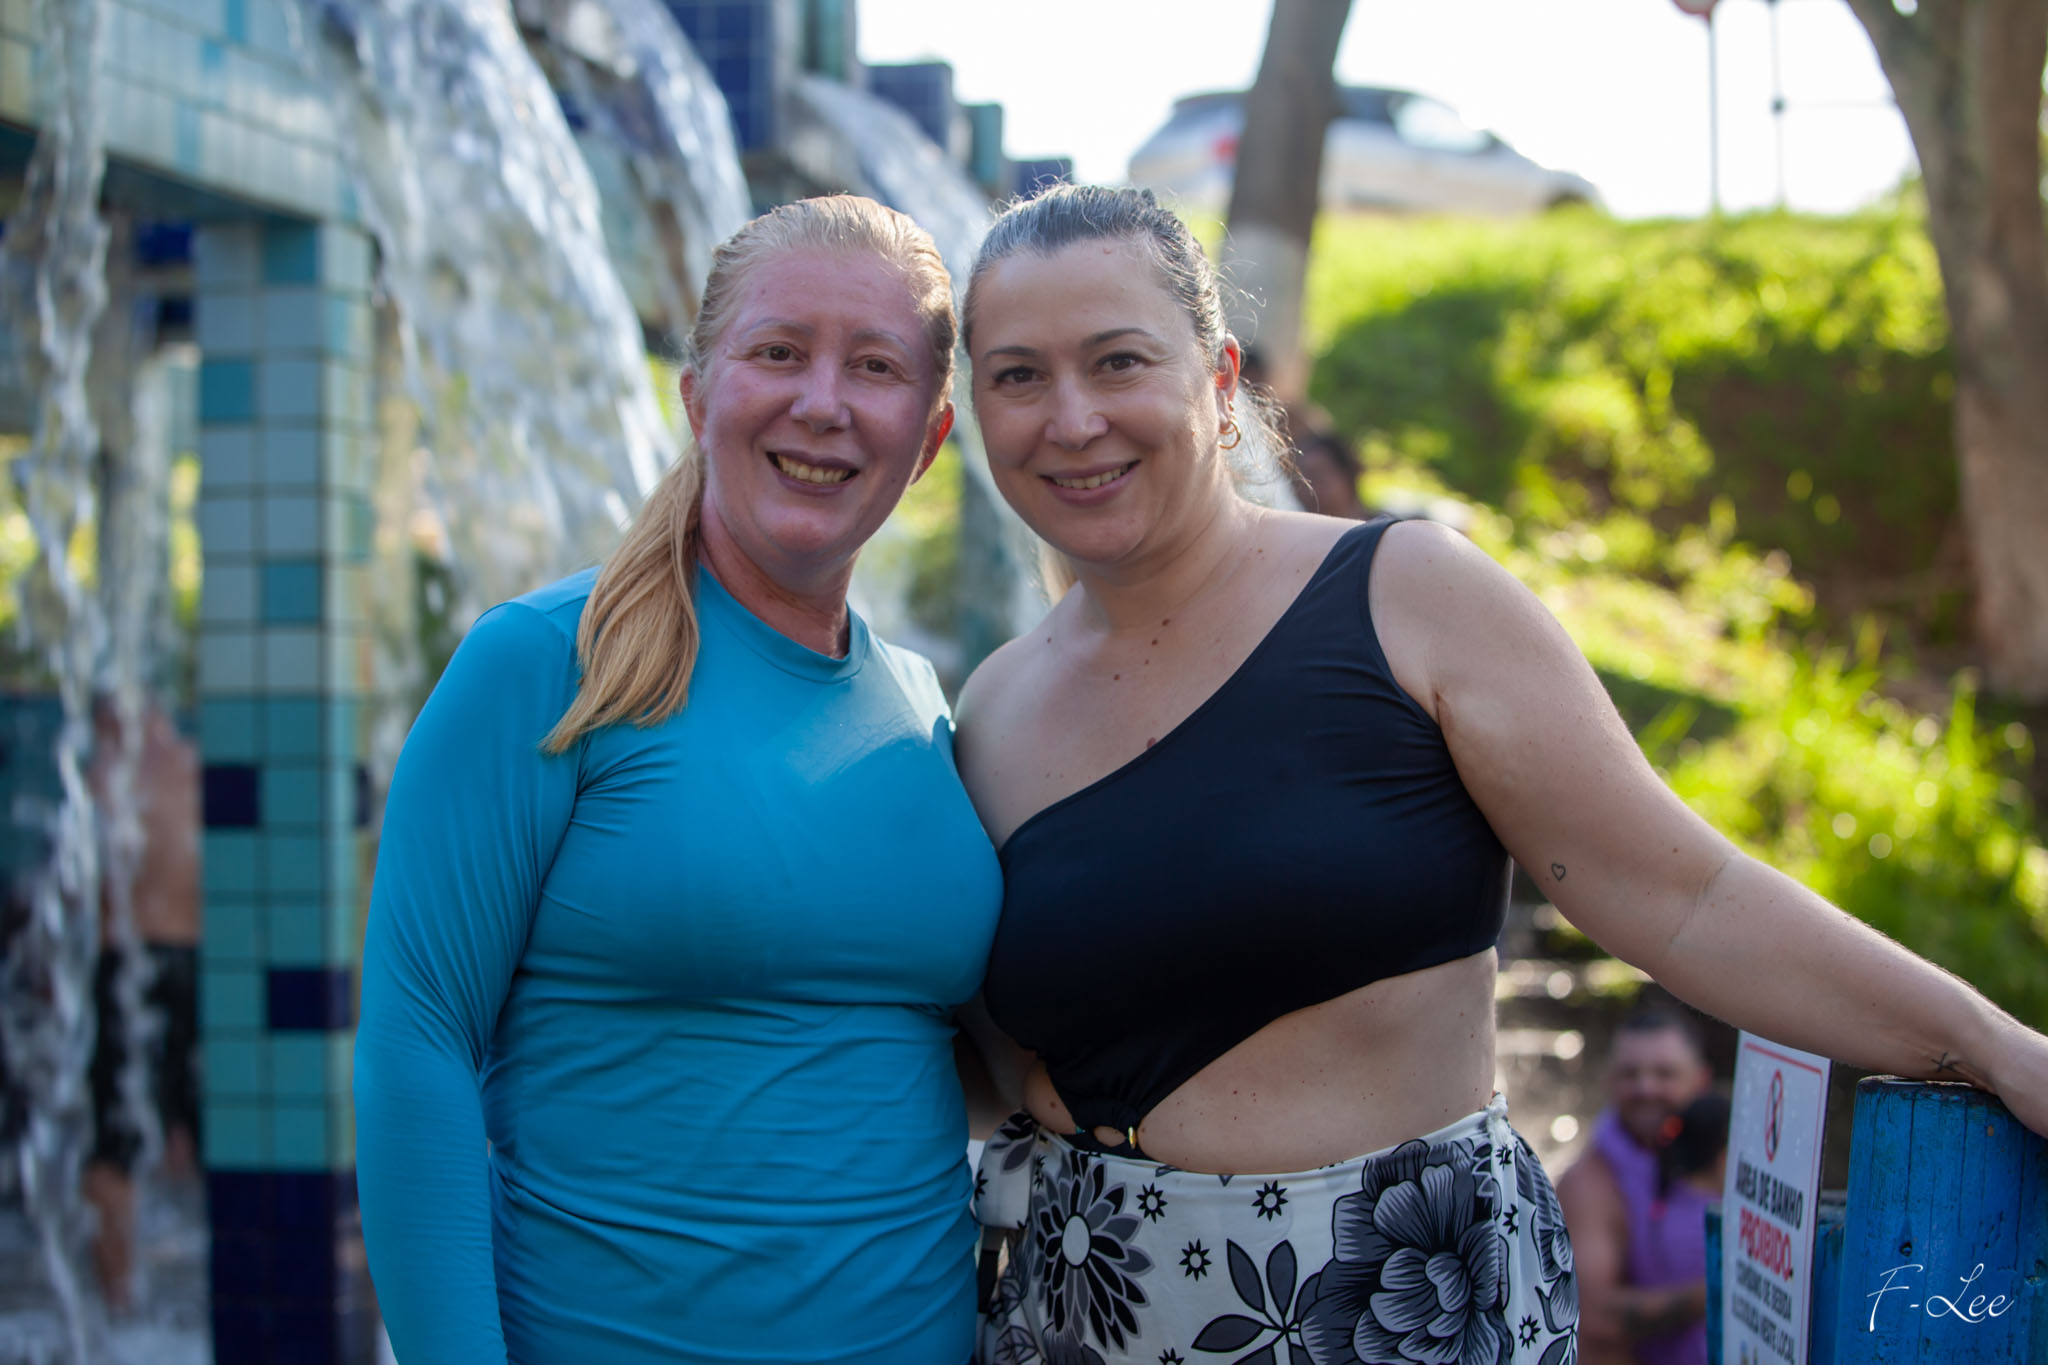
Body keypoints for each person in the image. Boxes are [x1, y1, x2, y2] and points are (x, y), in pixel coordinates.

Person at [949, 184, 2048, 1365]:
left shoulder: (1403, 598)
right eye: (1018, 376)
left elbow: (1687, 898)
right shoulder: (992, 710)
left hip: (1400, 1318)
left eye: (1117, 361)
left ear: (1218, 383)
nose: (1070, 419)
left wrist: (1991, 1046)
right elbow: (976, 1055)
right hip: (1079, 1316)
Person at [354, 196, 1004, 1365]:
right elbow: (416, 1050)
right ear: (699, 397)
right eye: (778, 352)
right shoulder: (544, 663)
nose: (822, 402)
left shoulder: (923, 706)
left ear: (929, 436)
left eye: (874, 367)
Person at [82, 693, 201, 1313]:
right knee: (207, 1134)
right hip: (195, 962)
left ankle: (120, 1302)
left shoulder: (103, 776)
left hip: (126, 966)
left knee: (113, 1146)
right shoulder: (193, 768)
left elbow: (77, 891)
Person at [1556, 1005, 1718, 1365]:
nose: (1646, 1088)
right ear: (1609, 1081)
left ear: (1701, 1080)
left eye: (1664, 1073)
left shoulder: (1725, 1152)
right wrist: (1725, 1289)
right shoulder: (1591, 1182)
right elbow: (1594, 1316)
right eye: (1630, 1074)